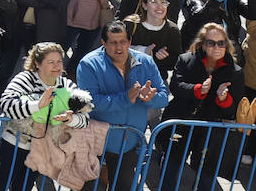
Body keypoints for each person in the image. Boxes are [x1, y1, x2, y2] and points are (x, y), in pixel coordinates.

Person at [0, 42, 90, 190]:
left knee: (25, 185)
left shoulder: (66, 85)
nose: (57, 66)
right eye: (51, 62)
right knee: (3, 179)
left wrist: (71, 119)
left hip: (44, 147)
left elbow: (85, 117)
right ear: (37, 63)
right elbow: (7, 105)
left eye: (59, 62)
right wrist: (37, 105)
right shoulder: (24, 79)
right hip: (16, 142)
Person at [76, 20, 169, 178]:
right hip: (95, 141)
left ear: (130, 42)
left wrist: (150, 99)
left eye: (123, 42)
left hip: (130, 142)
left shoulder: (146, 62)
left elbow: (163, 98)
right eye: (113, 43)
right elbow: (90, 102)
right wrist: (125, 98)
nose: (118, 48)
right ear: (103, 42)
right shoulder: (88, 64)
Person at [157, 23, 245, 189]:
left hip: (211, 130)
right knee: (171, 166)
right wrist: (198, 89)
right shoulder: (186, 59)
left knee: (206, 177)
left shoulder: (236, 71)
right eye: (211, 42)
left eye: (221, 43)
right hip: (181, 122)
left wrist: (223, 98)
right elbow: (176, 86)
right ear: (203, 44)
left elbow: (234, 108)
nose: (216, 47)